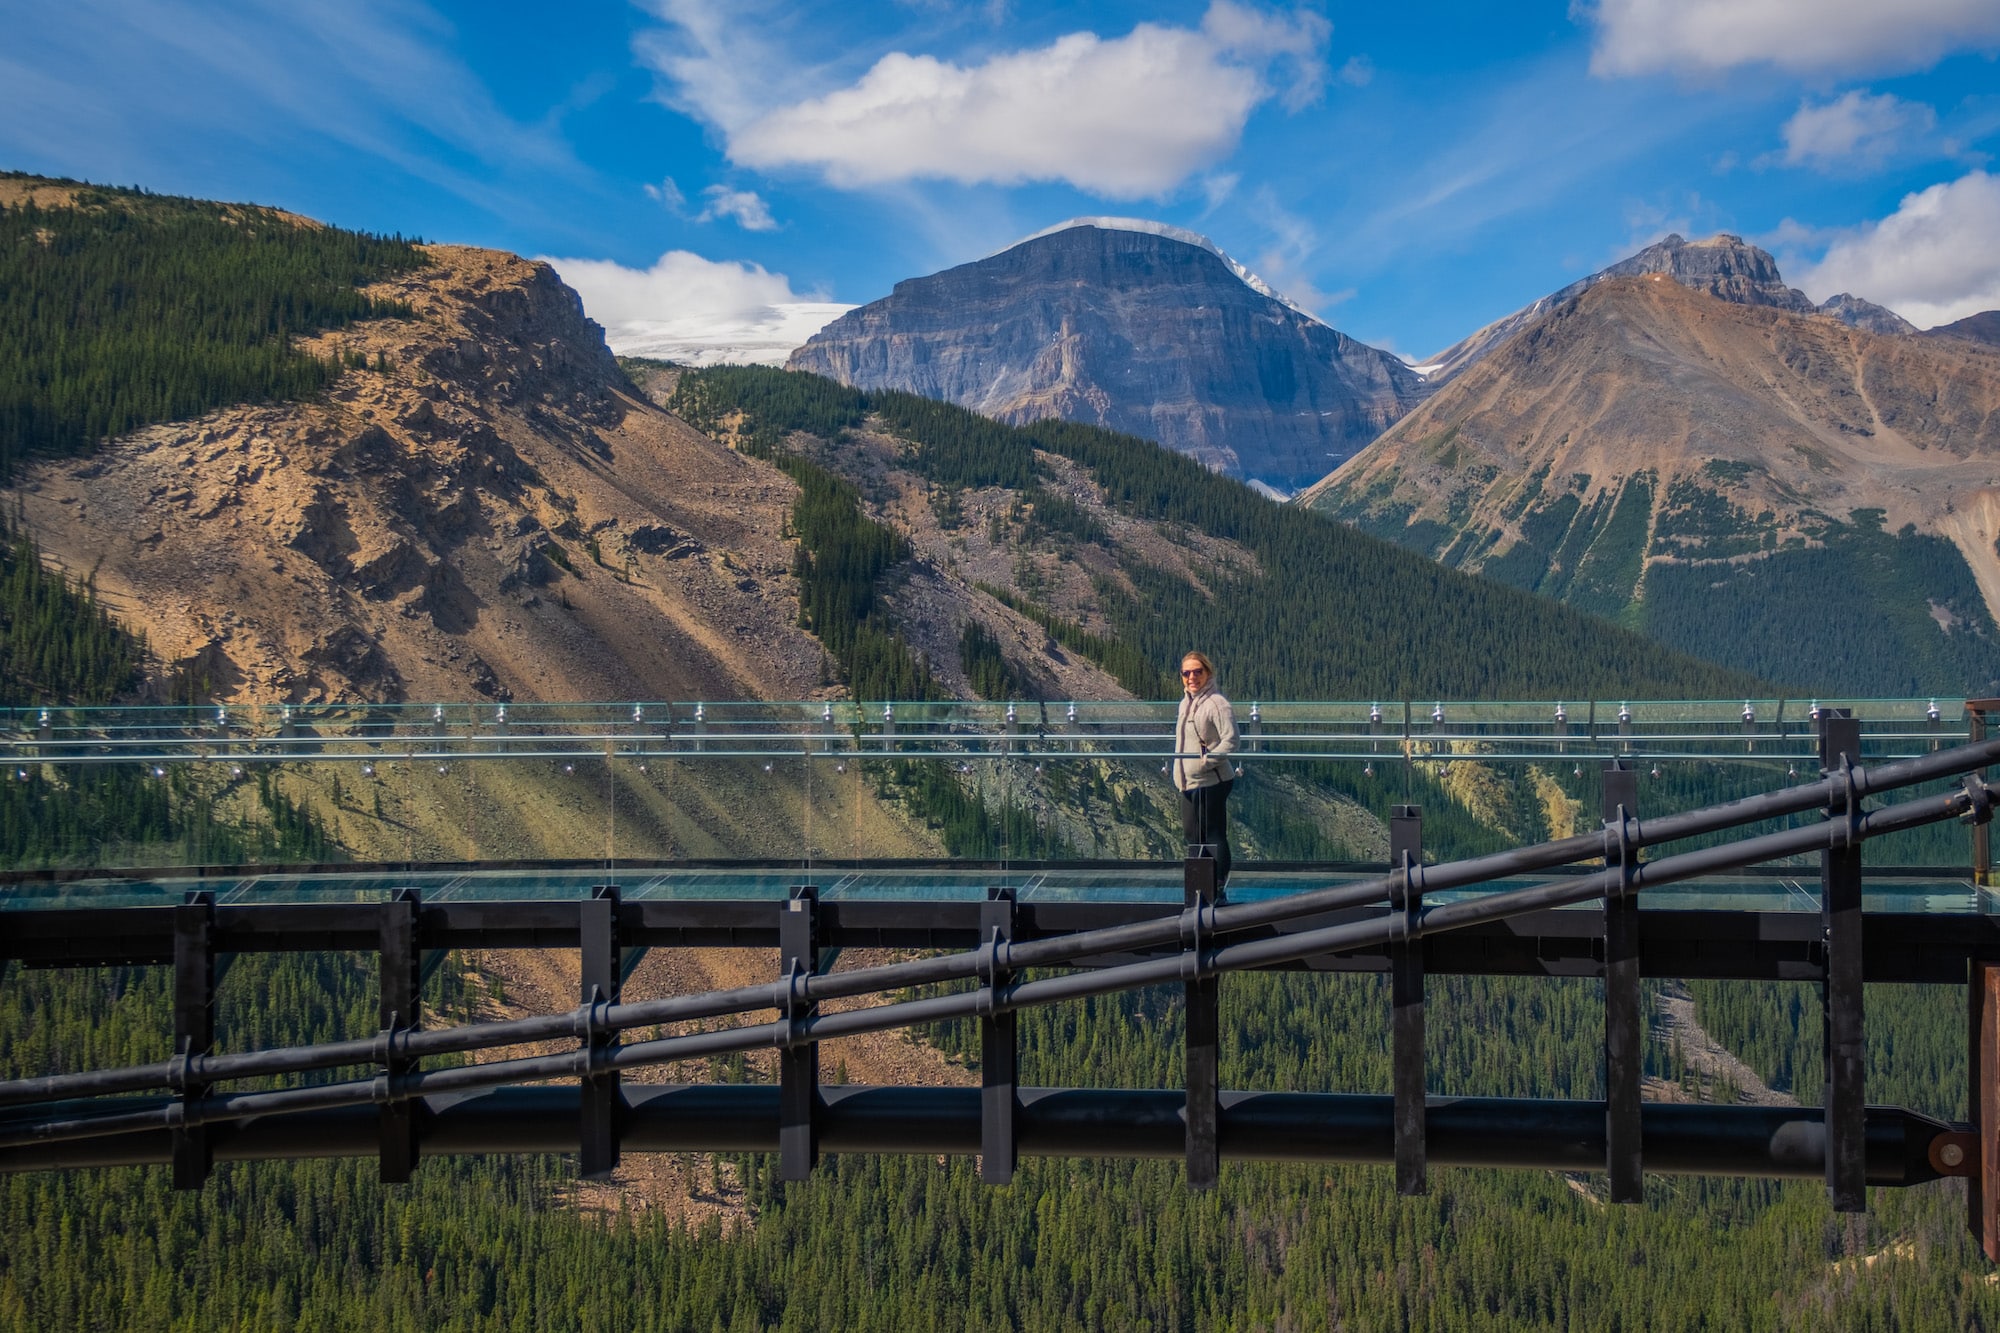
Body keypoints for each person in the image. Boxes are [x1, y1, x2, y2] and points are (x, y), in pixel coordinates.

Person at [1172, 651, 1238, 892]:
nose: (1192, 677)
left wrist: (1206, 762)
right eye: (1186, 673)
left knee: (1213, 834)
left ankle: (1218, 885)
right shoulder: (1185, 702)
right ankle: (1203, 883)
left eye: (1197, 672)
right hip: (1188, 781)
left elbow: (1231, 740)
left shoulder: (1217, 703)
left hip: (1212, 780)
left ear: (1208, 673)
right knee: (1192, 833)